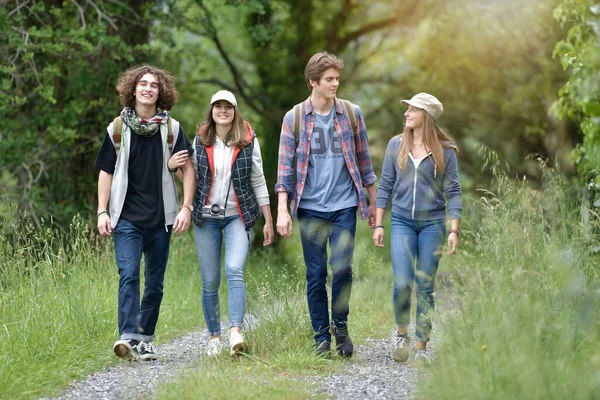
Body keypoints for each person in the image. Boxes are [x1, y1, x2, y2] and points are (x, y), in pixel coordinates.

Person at [275, 52, 377, 357]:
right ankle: (321, 335)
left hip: (344, 204)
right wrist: (282, 209)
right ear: (313, 82)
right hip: (310, 208)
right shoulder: (294, 119)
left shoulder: (351, 113)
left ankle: (340, 326)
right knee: (316, 273)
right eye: (329, 79)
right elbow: (284, 170)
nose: (335, 84)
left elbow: (364, 161)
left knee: (343, 268)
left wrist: (373, 204)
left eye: (337, 79)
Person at [96, 65, 195, 361]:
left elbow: (188, 172)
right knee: (128, 275)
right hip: (125, 217)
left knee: (155, 282)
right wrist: (102, 211)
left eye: (154, 85)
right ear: (133, 89)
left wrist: (186, 207)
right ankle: (127, 337)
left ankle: (145, 339)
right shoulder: (117, 128)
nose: (148, 88)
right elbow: (106, 171)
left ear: (160, 92)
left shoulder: (172, 130)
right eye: (143, 83)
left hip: (160, 219)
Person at [168, 90, 273, 357]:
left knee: (234, 268)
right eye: (218, 106)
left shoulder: (249, 140)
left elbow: (258, 180)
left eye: (228, 106)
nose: (223, 110)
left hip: (239, 215)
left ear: (235, 111)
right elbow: (188, 176)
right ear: (211, 111)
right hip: (206, 217)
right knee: (210, 280)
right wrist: (173, 168)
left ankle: (235, 333)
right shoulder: (200, 139)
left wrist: (269, 219)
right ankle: (214, 336)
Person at [373, 92, 462, 363]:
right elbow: (385, 184)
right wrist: (379, 224)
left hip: (433, 224)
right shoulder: (395, 145)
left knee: (425, 284)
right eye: (408, 109)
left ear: (427, 115)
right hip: (400, 221)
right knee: (402, 282)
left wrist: (454, 229)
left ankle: (422, 347)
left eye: (413, 109)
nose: (407, 113)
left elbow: (454, 191)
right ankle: (402, 334)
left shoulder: (445, 151)